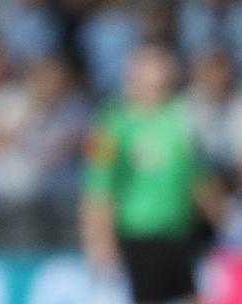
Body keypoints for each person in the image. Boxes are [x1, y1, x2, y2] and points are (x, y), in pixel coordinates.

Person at [80, 44, 221, 304]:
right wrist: (98, 238)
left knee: (193, 294)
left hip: (180, 227)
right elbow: (98, 186)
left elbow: (196, 174)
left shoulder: (179, 116)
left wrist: (220, 215)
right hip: (139, 229)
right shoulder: (113, 123)